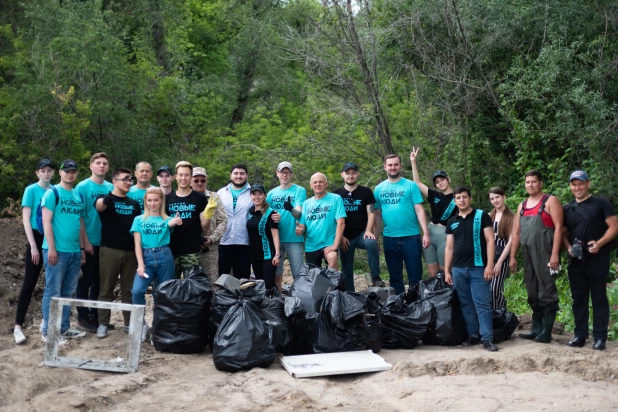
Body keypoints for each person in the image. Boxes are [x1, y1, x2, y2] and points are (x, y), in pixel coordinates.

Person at [562, 170, 618, 350]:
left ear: (588, 184)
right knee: (579, 298)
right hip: (576, 260)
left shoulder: (601, 203)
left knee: (599, 298)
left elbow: (614, 226)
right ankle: (580, 335)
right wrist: (569, 247)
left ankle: (600, 338)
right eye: (574, 184)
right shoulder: (567, 208)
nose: (577, 187)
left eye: (581, 183)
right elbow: (562, 233)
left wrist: (600, 243)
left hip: (598, 258)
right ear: (570, 186)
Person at [510, 170, 563, 343]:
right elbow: (516, 233)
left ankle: (546, 332)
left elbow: (559, 228)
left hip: (546, 252)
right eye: (527, 182)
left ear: (540, 183)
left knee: (547, 289)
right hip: (528, 254)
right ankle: (536, 328)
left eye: (533, 181)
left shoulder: (550, 201)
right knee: (532, 289)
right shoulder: (522, 205)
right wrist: (512, 257)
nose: (530, 185)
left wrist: (555, 254)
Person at [444, 186, 497, 351]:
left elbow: (490, 241)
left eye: (464, 197)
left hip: (479, 268)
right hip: (458, 269)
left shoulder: (482, 216)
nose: (461, 200)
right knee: (466, 304)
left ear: (470, 198)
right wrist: (447, 270)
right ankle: (473, 335)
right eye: (458, 197)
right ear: (454, 200)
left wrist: (489, 265)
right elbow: (449, 248)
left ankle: (487, 338)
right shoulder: (452, 222)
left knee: (482, 303)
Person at [40, 159, 87, 343]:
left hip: (74, 251)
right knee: (53, 291)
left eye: (74, 171)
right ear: (60, 172)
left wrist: (82, 248)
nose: (70, 174)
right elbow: (46, 222)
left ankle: (64, 328)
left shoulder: (77, 195)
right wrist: (51, 248)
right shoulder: (53, 193)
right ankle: (48, 331)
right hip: (56, 252)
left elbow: (80, 224)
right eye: (67, 171)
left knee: (68, 292)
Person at [131, 188, 183, 342]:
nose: (152, 203)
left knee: (161, 295)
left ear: (161, 201)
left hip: (164, 257)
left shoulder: (167, 220)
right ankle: (142, 325)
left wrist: (175, 222)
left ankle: (159, 329)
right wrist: (140, 265)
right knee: (137, 291)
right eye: (149, 200)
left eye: (155, 200)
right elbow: (137, 244)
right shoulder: (139, 220)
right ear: (145, 201)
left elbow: (172, 224)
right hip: (146, 258)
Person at [373, 154, 430, 295]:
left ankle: (416, 307)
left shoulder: (411, 185)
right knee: (395, 277)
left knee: (415, 276)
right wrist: (375, 237)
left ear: (400, 166)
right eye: (390, 165)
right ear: (385, 167)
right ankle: (398, 308)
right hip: (389, 238)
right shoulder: (379, 189)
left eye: (396, 164)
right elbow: (377, 214)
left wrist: (426, 233)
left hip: (411, 237)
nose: (393, 167)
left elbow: (419, 209)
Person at [95, 168, 141, 339]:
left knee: (128, 290)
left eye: (131, 180)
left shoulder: (133, 204)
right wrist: (106, 198)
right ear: (115, 181)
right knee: (106, 288)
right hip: (110, 251)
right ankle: (102, 324)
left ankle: (129, 323)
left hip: (130, 252)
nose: (129, 182)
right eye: (126, 179)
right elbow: (99, 207)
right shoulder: (106, 200)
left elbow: (137, 229)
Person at [13, 159, 54, 345]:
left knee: (51, 283)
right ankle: (18, 326)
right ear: (37, 172)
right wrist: (33, 246)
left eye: (49, 170)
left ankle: (46, 321)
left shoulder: (55, 190)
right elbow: (26, 219)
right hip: (36, 238)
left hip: (52, 239)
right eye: (43, 170)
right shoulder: (31, 190)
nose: (46, 174)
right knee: (29, 284)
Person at [75, 152, 114, 333]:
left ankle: (97, 317)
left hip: (106, 241)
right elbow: (80, 217)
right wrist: (85, 243)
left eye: (105, 163)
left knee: (100, 282)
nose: (101, 166)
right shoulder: (82, 187)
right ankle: (82, 317)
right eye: (98, 163)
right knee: (86, 280)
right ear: (91, 166)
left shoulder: (111, 187)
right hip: (89, 240)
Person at [333, 162, 382, 291]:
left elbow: (371, 212)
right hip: (345, 237)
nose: (351, 175)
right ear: (342, 175)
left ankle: (376, 277)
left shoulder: (365, 191)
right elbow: (333, 218)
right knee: (347, 270)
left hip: (361, 234)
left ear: (358, 174)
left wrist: (368, 230)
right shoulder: (336, 194)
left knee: (372, 243)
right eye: (348, 173)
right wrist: (341, 237)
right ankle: (350, 296)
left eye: (353, 173)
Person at [410, 147, 457, 277]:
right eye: (437, 182)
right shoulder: (434, 195)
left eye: (442, 179)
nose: (440, 183)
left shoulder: (458, 197)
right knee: (432, 273)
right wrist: (413, 161)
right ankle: (435, 297)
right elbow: (417, 183)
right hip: (430, 233)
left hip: (445, 235)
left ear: (448, 179)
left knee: (445, 272)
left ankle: (450, 296)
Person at [165, 161, 215, 279]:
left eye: (187, 175)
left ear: (191, 177)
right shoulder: (167, 198)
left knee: (192, 287)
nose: (183, 178)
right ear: (175, 176)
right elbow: (162, 224)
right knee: (171, 286)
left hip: (192, 250)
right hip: (171, 250)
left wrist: (208, 214)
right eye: (181, 175)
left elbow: (205, 227)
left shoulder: (200, 198)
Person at [267, 161, 306, 289]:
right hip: (276, 238)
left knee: (298, 274)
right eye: (282, 172)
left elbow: (299, 213)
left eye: (287, 172)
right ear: (277, 174)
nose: (284, 175)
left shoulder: (299, 191)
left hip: (293, 237)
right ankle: (278, 301)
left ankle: (299, 300)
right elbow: (266, 214)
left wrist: (291, 209)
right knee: (277, 274)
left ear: (291, 174)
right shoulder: (271, 194)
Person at [296, 173, 346, 270]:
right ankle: (323, 284)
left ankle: (329, 284)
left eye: (321, 182)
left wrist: (335, 245)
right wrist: (300, 230)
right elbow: (302, 226)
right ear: (311, 186)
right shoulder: (306, 204)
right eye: (315, 182)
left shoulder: (335, 199)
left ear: (326, 184)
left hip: (329, 243)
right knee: (313, 277)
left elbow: (341, 223)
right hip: (311, 245)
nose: (318, 184)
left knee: (332, 258)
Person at [190, 166, 227, 284]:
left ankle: (212, 303)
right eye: (196, 180)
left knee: (211, 283)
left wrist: (212, 238)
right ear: (190, 181)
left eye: (203, 180)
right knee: (191, 283)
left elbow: (223, 221)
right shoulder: (184, 197)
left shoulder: (214, 197)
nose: (199, 183)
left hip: (209, 249)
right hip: (188, 249)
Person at [217, 164, 253, 278]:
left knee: (242, 278)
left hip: (244, 241)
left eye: (242, 173)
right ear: (230, 175)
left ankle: (241, 296)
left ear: (247, 176)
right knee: (222, 277)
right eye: (236, 173)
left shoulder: (253, 193)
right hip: (223, 241)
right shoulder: (221, 193)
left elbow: (263, 210)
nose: (239, 176)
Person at [246, 184, 281, 290]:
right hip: (254, 255)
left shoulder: (271, 213)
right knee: (260, 283)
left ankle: (276, 304)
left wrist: (277, 255)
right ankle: (264, 306)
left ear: (264, 195)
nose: (257, 197)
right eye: (254, 194)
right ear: (250, 196)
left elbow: (275, 235)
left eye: (260, 194)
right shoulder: (250, 212)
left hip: (268, 255)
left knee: (269, 283)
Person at [488, 187, 514, 310]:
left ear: (504, 197)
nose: (495, 200)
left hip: (502, 256)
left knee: (495, 288)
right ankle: (495, 315)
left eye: (497, 197)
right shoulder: (489, 215)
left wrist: (499, 263)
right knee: (487, 288)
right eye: (492, 199)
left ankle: (499, 314)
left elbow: (510, 242)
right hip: (489, 256)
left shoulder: (511, 218)